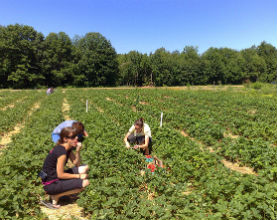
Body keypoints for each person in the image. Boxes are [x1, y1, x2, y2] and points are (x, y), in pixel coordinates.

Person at [40, 127, 90, 209]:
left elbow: (76, 164)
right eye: (73, 137)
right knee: (85, 183)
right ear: (65, 139)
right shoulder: (61, 152)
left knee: (84, 168)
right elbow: (60, 175)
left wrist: (77, 151)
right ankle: (56, 195)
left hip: (53, 177)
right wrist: (78, 176)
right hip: (51, 184)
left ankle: (62, 191)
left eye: (76, 136)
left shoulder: (67, 148)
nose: (76, 138)